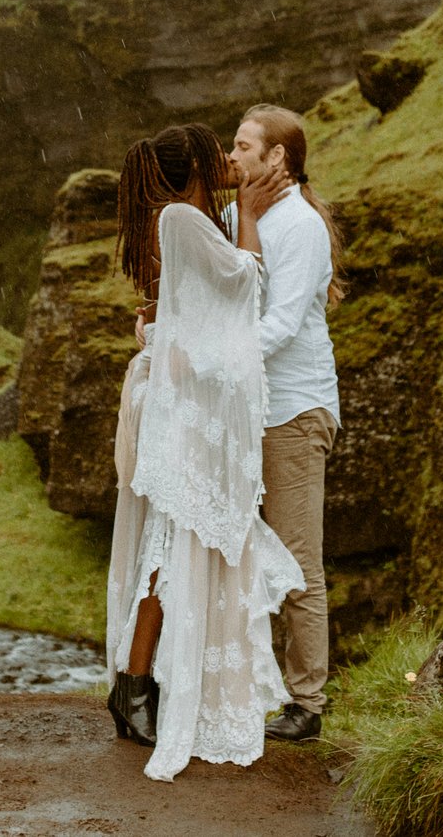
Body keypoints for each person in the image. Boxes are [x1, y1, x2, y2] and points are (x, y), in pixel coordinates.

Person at [103, 122, 305, 781]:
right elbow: (244, 282)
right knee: (175, 541)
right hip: (185, 413)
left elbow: (195, 309)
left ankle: (138, 686)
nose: (228, 159)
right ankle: (136, 685)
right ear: (194, 164)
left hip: (186, 405)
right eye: (217, 151)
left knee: (175, 541)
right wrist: (247, 213)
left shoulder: (182, 219)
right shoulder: (186, 221)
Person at [229, 102, 342, 744]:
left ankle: (307, 704)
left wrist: (209, 357)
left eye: (245, 147)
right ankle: (260, 685)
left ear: (278, 158)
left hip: (294, 412)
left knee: (298, 561)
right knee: (249, 553)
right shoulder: (243, 215)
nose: (233, 157)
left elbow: (278, 326)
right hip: (249, 410)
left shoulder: (299, 226)